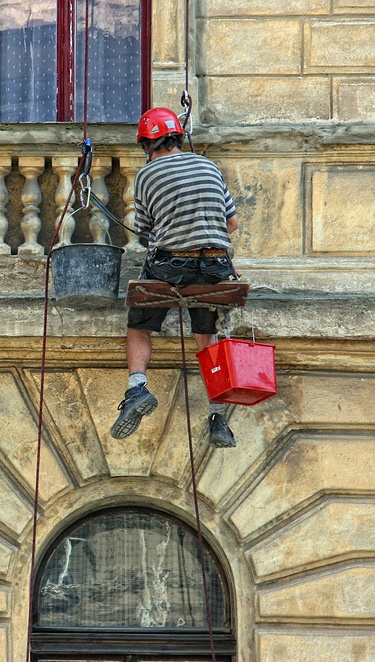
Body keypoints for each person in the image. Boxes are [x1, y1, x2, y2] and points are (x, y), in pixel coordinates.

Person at [110, 108, 240, 448]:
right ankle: (217, 415)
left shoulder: (147, 175)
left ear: (148, 144)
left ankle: (137, 387)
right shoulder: (209, 166)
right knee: (205, 337)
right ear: (177, 137)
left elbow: (143, 230)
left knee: (139, 325)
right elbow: (232, 224)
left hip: (172, 267)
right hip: (215, 267)